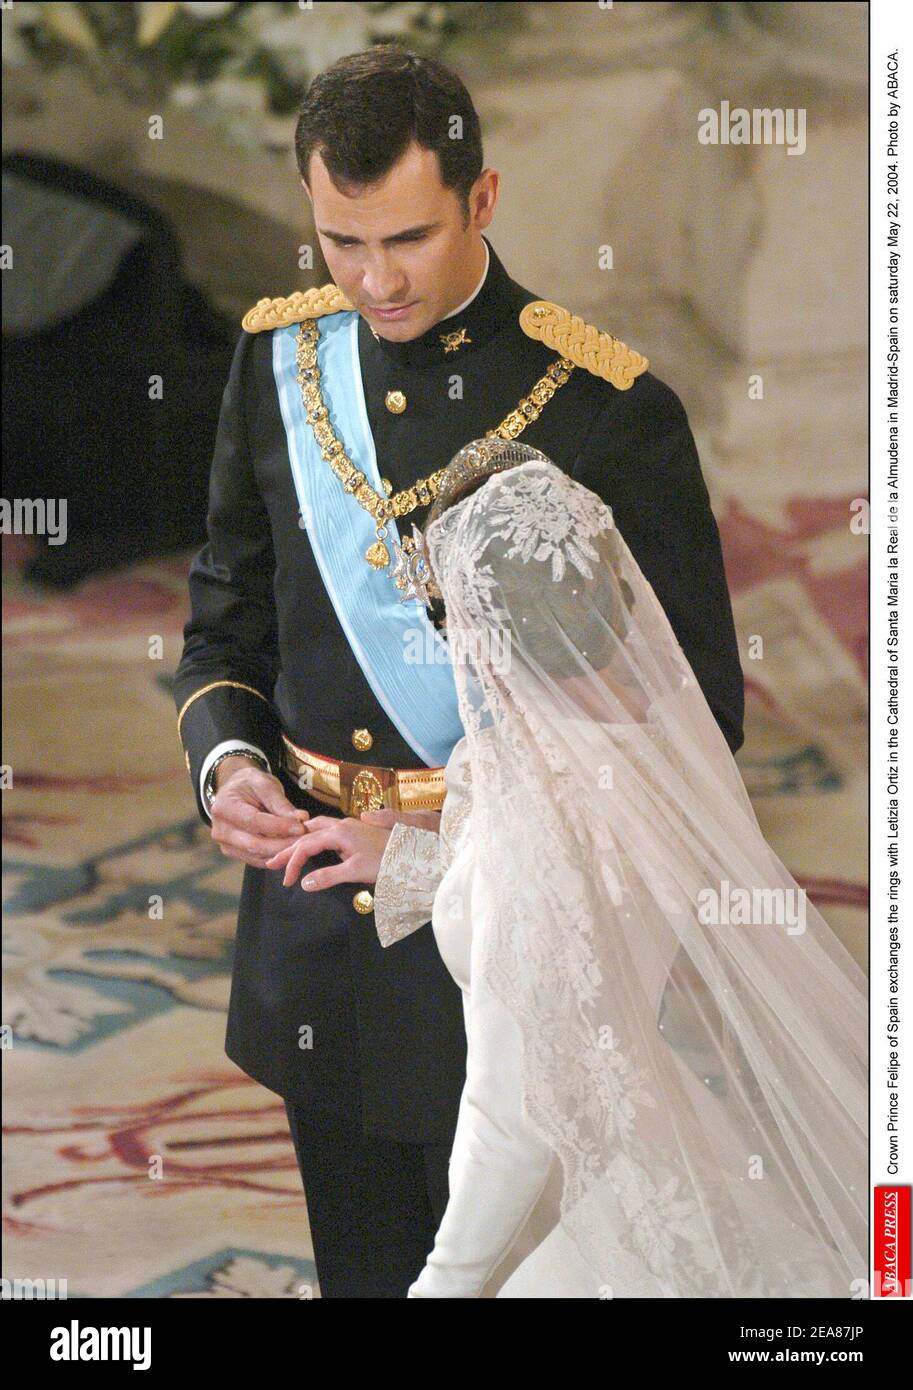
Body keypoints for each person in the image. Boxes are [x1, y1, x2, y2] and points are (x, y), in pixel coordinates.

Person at [173, 44, 744, 1298]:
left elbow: (694, 724)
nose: (374, 281)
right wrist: (225, 758)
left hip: (526, 942)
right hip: (319, 921)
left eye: (409, 240)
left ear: (481, 202)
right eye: (341, 242)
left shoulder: (605, 408)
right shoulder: (277, 363)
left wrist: (444, 849)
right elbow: (227, 619)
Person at [269, 441, 867, 1299]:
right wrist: (420, 859)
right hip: (662, 1158)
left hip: (601, 1213)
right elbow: (582, 905)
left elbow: (512, 1119)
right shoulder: (654, 735)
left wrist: (439, 1286)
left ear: (474, 629)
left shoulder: (537, 796)